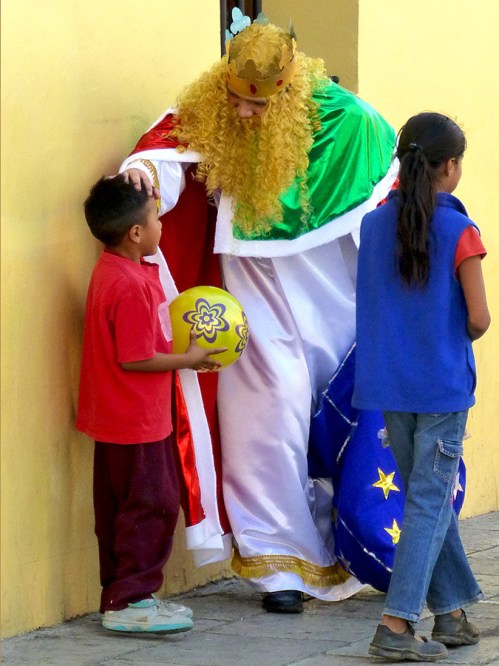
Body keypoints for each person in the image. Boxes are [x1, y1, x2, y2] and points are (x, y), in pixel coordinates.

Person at [120, 14, 398, 612]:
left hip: (333, 300)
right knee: (266, 420)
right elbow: (168, 150)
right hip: (253, 302)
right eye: (236, 100)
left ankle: (345, 547)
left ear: (289, 93)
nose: (243, 114)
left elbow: (391, 205)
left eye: (258, 105)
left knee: (335, 426)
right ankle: (279, 566)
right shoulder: (213, 107)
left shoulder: (351, 123)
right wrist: (143, 174)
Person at [353, 112, 490, 661]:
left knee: (425, 497)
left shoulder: (373, 226)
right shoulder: (460, 230)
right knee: (430, 502)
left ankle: (451, 612)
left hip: (388, 383)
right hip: (441, 386)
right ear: (450, 166)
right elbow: (479, 318)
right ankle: (396, 623)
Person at [76, 175, 225, 633]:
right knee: (152, 505)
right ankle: (131, 601)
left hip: (115, 418)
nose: (161, 225)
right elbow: (136, 358)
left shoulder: (114, 269)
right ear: (136, 233)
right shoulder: (130, 285)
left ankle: (121, 595)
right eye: (157, 218)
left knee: (119, 508)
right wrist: (190, 359)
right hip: (137, 421)